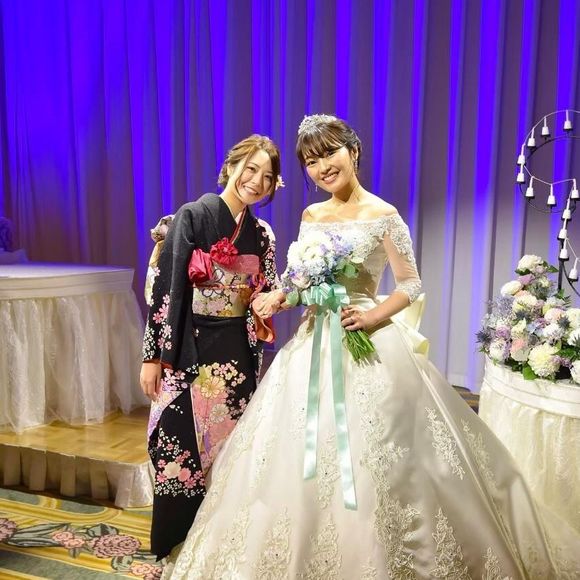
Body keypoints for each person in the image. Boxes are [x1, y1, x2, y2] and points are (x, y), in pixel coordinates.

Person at [164, 116, 580, 578]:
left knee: (381, 457)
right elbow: (300, 282)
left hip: (366, 337)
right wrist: (280, 296)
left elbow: (410, 284)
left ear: (353, 152)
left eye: (329, 153)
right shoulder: (311, 216)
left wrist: (373, 315)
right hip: (312, 341)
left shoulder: (384, 215)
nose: (322, 167)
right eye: (311, 161)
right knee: (288, 457)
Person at [140, 134, 282, 560]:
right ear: (231, 166)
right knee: (177, 449)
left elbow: (267, 287)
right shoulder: (192, 216)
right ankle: (175, 547)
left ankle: (215, 550)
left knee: (227, 456)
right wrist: (152, 356)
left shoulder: (261, 234)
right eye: (250, 169)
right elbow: (167, 291)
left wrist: (267, 299)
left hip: (235, 356)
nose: (257, 181)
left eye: (268, 176)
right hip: (189, 350)